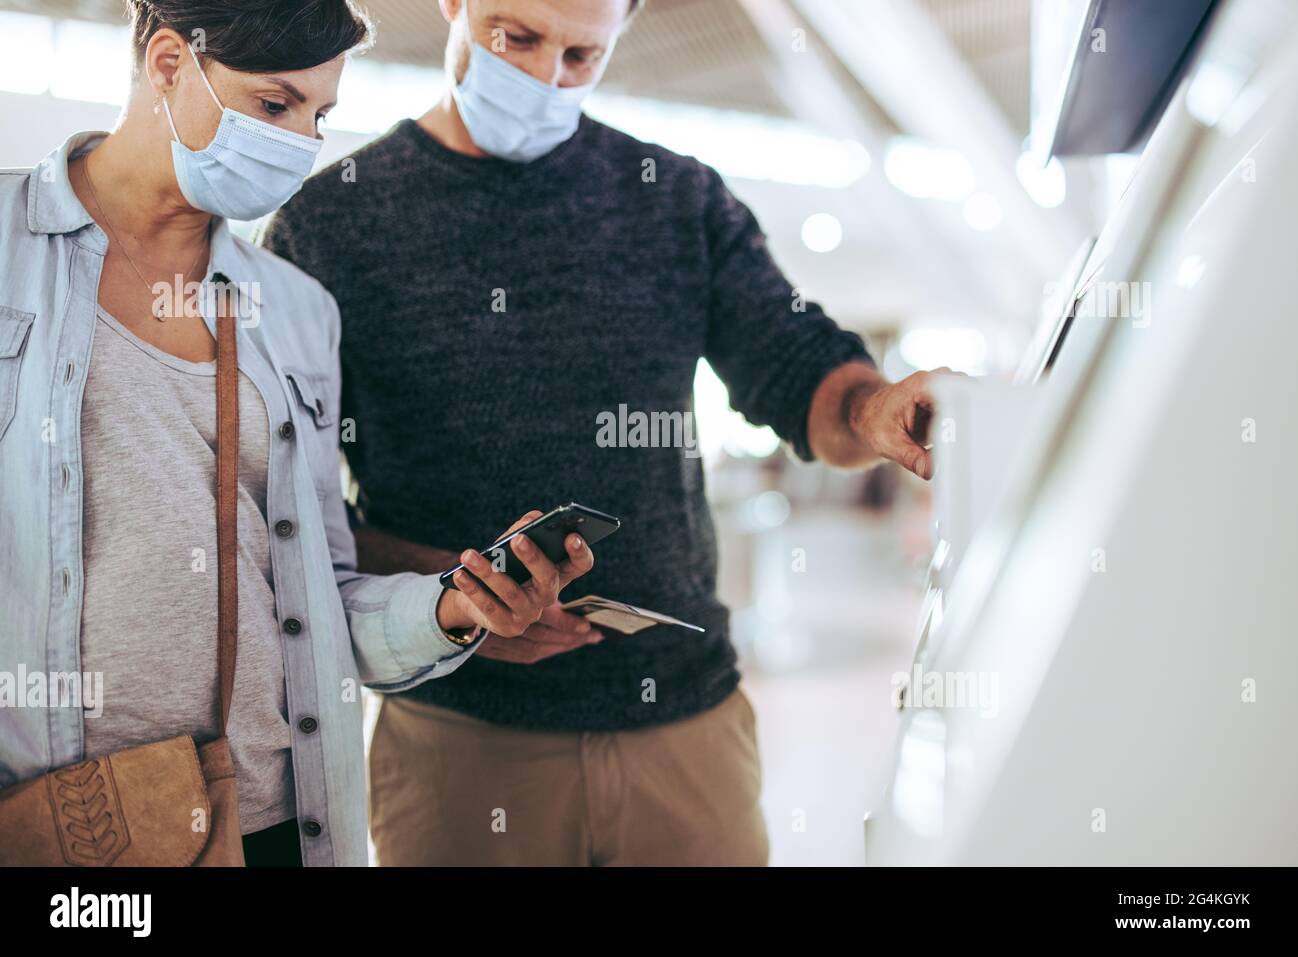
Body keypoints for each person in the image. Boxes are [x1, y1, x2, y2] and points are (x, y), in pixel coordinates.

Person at [260, 0, 943, 866]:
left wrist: (871, 412)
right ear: (455, 6)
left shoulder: (678, 200)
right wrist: (461, 596)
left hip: (683, 730)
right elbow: (289, 515)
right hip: (463, 743)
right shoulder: (329, 227)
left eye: (584, 54)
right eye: (517, 36)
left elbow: (800, 366)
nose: (547, 75)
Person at [0, 0, 592, 867]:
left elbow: (321, 588)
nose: (302, 143)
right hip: (70, 822)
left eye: (320, 117)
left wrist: (453, 605)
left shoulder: (297, 311)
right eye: (275, 106)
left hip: (277, 815)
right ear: (169, 63)